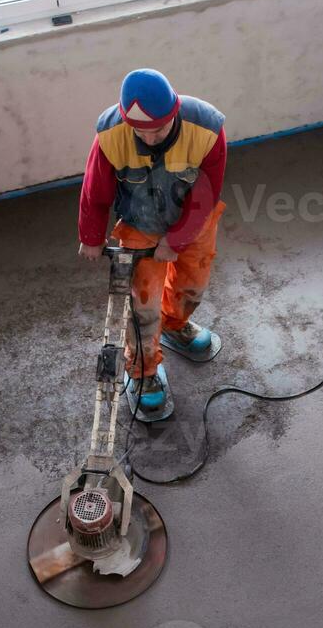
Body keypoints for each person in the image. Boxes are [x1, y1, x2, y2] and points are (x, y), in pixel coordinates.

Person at [78, 68, 227, 418]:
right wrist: (91, 237)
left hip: (193, 219)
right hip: (139, 222)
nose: (152, 136)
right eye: (141, 130)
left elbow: (206, 194)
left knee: (193, 284)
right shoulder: (110, 135)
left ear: (173, 110)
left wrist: (177, 239)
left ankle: (174, 325)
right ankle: (143, 372)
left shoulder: (207, 129)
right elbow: (94, 191)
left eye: (159, 128)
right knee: (142, 306)